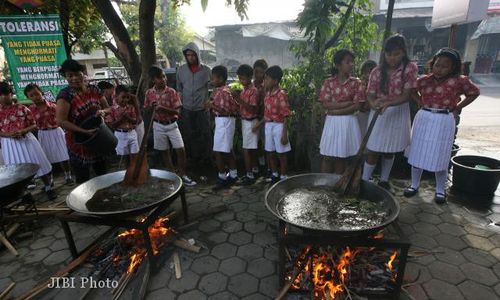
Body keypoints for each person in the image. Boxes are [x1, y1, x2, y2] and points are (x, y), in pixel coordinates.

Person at [404, 48, 480, 204]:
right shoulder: (424, 79)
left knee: (441, 155)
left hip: (444, 119)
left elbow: (474, 92)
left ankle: (440, 190)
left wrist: (458, 107)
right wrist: (419, 101)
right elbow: (411, 90)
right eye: (437, 65)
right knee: (417, 152)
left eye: (445, 66)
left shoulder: (460, 81)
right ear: (433, 64)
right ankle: (414, 185)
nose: (440, 69)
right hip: (424, 117)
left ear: (453, 67)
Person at [362, 34, 418, 190]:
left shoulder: (410, 68)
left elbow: (406, 96)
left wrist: (388, 102)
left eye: (396, 54)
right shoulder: (377, 71)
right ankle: (365, 180)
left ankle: (384, 180)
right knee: (373, 148)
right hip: (379, 113)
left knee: (390, 149)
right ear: (384, 54)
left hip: (398, 111)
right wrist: (373, 104)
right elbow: (370, 94)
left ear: (403, 53)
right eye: (388, 54)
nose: (392, 58)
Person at [56, 59, 110, 184]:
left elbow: (108, 108)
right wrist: (84, 131)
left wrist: (103, 112)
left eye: (77, 74)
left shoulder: (94, 90)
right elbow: (61, 121)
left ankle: (105, 199)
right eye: (70, 75)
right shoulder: (65, 95)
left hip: (99, 138)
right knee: (83, 179)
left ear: (83, 73)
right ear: (65, 77)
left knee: (102, 175)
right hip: (78, 143)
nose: (74, 78)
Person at [0, 81, 56, 199]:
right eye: (0, 95)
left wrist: (23, 131)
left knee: (38, 162)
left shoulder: (22, 108)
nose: (3, 97)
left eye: (5, 94)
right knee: (16, 170)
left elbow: (34, 124)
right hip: (9, 144)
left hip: (27, 140)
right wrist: (9, 134)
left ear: (11, 94)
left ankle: (48, 187)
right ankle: (24, 194)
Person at [144, 66, 196, 186]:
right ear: (153, 80)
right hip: (157, 125)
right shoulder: (149, 93)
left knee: (181, 150)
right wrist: (151, 107)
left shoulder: (171, 92)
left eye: (164, 76)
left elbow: (178, 112)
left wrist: (163, 108)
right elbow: (146, 109)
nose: (163, 79)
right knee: (164, 151)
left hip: (172, 124)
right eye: (160, 77)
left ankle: (183, 175)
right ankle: (173, 176)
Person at [319, 50, 364, 175]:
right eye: (347, 62)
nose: (351, 64)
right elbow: (325, 103)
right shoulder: (328, 82)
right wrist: (345, 104)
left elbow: (357, 105)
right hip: (332, 122)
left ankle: (335, 186)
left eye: (352, 62)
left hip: (348, 122)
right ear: (338, 65)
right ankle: (324, 184)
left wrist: (335, 111)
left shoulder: (356, 83)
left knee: (341, 156)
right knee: (327, 156)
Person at [25, 83, 73, 185]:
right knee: (46, 158)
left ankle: (68, 175)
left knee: (63, 155)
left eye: (37, 94)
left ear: (42, 93)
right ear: (28, 97)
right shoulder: (30, 110)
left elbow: (63, 118)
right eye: (31, 95)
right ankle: (50, 179)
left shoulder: (53, 106)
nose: (35, 97)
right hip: (43, 134)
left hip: (57, 132)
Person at [254, 66, 291, 183]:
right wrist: (258, 124)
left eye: (267, 78)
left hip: (279, 126)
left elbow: (286, 115)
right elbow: (267, 115)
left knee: (282, 153)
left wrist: (284, 134)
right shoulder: (267, 95)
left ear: (275, 81)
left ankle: (283, 176)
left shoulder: (281, 94)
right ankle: (274, 174)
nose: (265, 81)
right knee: (270, 151)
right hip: (268, 126)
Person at [176, 42, 212, 164]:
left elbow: (214, 88)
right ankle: (192, 158)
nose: (190, 57)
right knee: (189, 134)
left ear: (197, 55)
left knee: (205, 133)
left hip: (202, 109)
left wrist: (209, 101)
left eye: (193, 55)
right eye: (188, 55)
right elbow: (179, 88)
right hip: (187, 108)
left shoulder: (207, 70)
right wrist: (180, 105)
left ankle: (207, 159)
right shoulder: (181, 70)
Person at [205, 65, 239, 190]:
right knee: (227, 149)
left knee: (219, 151)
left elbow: (226, 110)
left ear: (221, 78)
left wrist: (212, 106)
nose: (212, 81)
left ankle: (222, 177)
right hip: (222, 121)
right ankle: (233, 175)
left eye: (213, 78)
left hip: (225, 120)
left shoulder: (224, 92)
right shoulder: (220, 91)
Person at [236, 64, 260, 185]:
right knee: (251, 149)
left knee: (247, 149)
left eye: (243, 78)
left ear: (250, 77)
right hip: (246, 121)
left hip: (251, 121)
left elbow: (252, 109)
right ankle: (254, 170)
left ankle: (249, 174)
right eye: (239, 78)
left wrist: (239, 100)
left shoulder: (253, 91)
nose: (241, 81)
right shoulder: (244, 90)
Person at [107, 85, 139, 167]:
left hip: (132, 133)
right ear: (117, 97)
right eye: (123, 97)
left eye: (127, 97)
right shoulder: (112, 109)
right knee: (125, 158)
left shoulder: (131, 108)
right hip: (120, 135)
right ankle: (127, 174)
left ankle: (133, 173)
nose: (125, 100)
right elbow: (112, 125)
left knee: (135, 155)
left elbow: (136, 121)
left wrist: (128, 118)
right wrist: (121, 119)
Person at [253, 59, 269, 174]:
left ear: (265, 72)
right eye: (256, 71)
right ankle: (261, 163)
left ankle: (269, 167)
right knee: (256, 143)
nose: (258, 74)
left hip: (266, 118)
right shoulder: (251, 84)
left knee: (266, 143)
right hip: (254, 117)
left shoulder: (267, 85)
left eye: (260, 72)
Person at [358, 60, 377, 136]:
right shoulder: (358, 84)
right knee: (361, 135)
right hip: (362, 114)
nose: (368, 75)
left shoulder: (378, 84)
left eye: (371, 72)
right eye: (365, 72)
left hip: (374, 113)